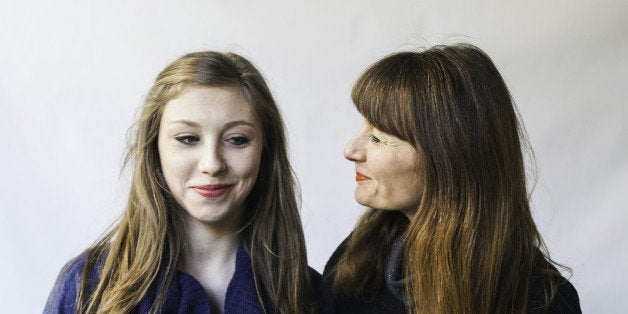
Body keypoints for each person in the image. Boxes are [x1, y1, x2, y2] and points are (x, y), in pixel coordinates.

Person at [45, 51, 332, 313]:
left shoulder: (310, 296)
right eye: (188, 139)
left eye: (237, 140)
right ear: (154, 148)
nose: (212, 164)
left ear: (265, 151)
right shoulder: (89, 285)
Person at [324, 44, 581, 313]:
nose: (350, 150)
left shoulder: (539, 301)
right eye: (363, 126)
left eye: (378, 137)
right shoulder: (362, 256)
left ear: (448, 158)